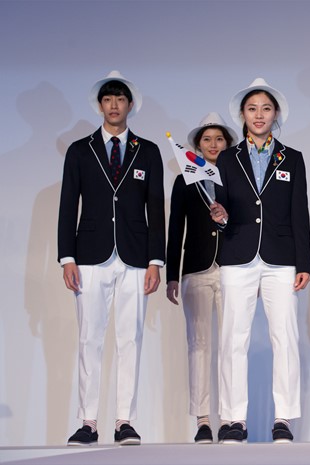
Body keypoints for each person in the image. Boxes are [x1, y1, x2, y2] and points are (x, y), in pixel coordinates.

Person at [58, 70, 165, 446]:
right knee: (89, 338)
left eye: (120, 99)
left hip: (136, 256)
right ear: (100, 105)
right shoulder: (80, 150)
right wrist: (67, 257)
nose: (114, 105)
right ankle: (88, 422)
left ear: (130, 105)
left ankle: (124, 421)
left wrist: (156, 261)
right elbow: (68, 205)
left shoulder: (148, 151)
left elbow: (156, 208)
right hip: (89, 255)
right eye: (108, 99)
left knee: (130, 339)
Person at [209, 78, 310, 444]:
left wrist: (304, 263)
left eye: (266, 109)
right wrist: (220, 217)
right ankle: (234, 419)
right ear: (242, 114)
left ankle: (284, 418)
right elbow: (221, 207)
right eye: (252, 108)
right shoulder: (227, 158)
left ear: (276, 114)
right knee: (233, 339)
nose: (259, 115)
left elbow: (300, 213)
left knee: (285, 337)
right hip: (237, 255)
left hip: (281, 259)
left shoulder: (292, 158)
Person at [165, 112, 236, 443]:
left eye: (219, 139)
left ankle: (231, 417)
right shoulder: (185, 180)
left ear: (228, 143)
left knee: (232, 344)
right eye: (207, 139)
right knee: (199, 345)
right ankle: (203, 420)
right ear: (197, 145)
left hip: (232, 268)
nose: (213, 144)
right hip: (195, 268)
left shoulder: (237, 177)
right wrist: (172, 275)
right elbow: (175, 228)